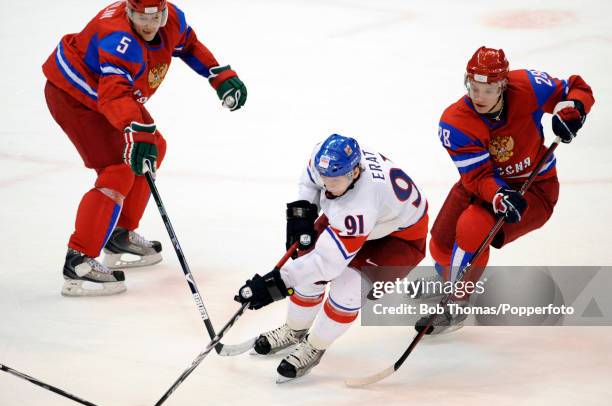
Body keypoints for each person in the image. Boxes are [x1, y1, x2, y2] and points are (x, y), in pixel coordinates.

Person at [43, 0, 247, 296]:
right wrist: (133, 128)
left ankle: (120, 234)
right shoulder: (118, 40)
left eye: (157, 16)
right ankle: (79, 261)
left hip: (107, 94)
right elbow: (113, 96)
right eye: (141, 17)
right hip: (74, 93)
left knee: (153, 148)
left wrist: (218, 74)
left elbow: (188, 46)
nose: (150, 24)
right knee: (118, 168)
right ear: (129, 12)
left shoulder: (172, 19)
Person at [415, 46, 594, 334]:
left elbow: (576, 88)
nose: (479, 97)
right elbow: (477, 176)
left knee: (473, 227)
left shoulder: (529, 86)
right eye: (473, 88)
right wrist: (499, 195)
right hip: (482, 185)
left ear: (503, 84)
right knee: (440, 245)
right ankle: (448, 282)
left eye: (487, 90)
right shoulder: (456, 122)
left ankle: (454, 304)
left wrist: (574, 110)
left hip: (534, 189)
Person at [234, 134, 429, 381]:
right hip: (367, 219)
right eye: (323, 176)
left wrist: (273, 285)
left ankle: (314, 346)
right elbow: (310, 179)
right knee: (305, 262)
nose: (326, 184)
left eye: (333, 180)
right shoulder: (328, 161)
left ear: (354, 173)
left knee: (347, 289)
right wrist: (302, 213)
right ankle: (294, 331)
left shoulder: (360, 206)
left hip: (398, 239)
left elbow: (327, 265)